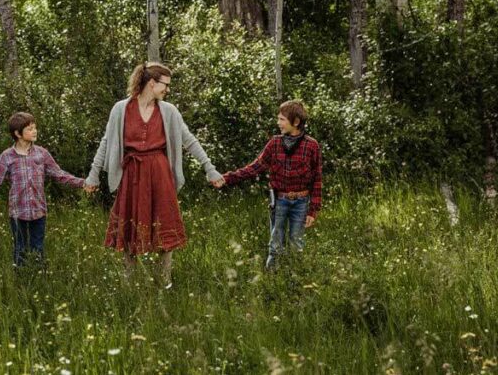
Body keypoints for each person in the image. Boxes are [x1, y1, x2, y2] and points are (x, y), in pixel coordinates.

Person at [84, 62, 224, 286]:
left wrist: (210, 168)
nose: (167, 90)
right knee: (130, 228)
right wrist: (93, 174)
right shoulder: (121, 109)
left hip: (160, 173)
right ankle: (128, 282)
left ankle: (165, 280)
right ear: (151, 82)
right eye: (164, 85)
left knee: (165, 224)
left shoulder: (168, 111)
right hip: (132, 175)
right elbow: (106, 142)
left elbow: (189, 140)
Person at [214, 100, 322, 269]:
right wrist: (227, 178)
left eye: (282, 119)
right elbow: (255, 167)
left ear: (296, 122)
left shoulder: (311, 146)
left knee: (297, 243)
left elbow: (317, 179)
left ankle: (297, 277)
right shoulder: (275, 143)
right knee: (275, 242)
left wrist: (313, 210)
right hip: (279, 201)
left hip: (301, 202)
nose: (278, 123)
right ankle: (272, 278)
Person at [0, 112, 85, 268]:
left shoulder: (42, 154)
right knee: (21, 250)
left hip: (39, 211)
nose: (35, 131)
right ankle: (21, 284)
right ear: (18, 134)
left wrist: (83, 183)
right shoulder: (6, 157)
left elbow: (60, 175)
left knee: (38, 250)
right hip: (18, 213)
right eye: (30, 129)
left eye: (35, 127)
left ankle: (39, 280)